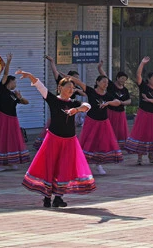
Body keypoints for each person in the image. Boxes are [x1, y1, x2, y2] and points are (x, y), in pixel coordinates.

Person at [17, 70, 95, 208]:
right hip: (53, 139)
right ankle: (47, 197)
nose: (71, 90)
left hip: (69, 141)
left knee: (63, 168)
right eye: (68, 87)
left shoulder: (74, 103)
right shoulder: (53, 100)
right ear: (60, 88)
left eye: (72, 88)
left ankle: (58, 197)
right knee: (50, 167)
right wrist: (30, 76)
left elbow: (88, 106)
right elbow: (40, 87)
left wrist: (76, 110)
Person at [0, 53, 30, 171]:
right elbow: (5, 74)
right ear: (9, 82)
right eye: (14, 82)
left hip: (13, 119)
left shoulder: (14, 94)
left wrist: (20, 97)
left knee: (12, 140)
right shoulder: (2, 89)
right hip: (3, 119)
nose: (15, 84)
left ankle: (11, 162)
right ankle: (0, 163)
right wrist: (8, 62)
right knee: (2, 139)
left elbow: (26, 102)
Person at [72, 75, 123, 175]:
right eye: (104, 82)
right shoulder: (91, 91)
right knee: (88, 143)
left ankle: (98, 165)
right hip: (91, 121)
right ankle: (82, 166)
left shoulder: (107, 95)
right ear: (98, 82)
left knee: (101, 143)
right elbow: (79, 82)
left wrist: (108, 103)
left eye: (107, 83)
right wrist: (68, 78)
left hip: (104, 122)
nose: (106, 84)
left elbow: (117, 102)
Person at [33, 57, 86, 150]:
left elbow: (84, 94)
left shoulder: (74, 88)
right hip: (58, 109)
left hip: (69, 111)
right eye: (75, 78)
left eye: (77, 79)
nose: (76, 80)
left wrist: (76, 89)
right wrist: (52, 61)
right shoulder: (62, 82)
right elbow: (55, 72)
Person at [123, 56, 153, 165]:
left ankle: (151, 154)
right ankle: (139, 157)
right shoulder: (144, 87)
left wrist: (149, 99)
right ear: (149, 79)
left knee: (152, 135)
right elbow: (138, 75)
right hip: (144, 114)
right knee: (141, 134)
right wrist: (142, 63)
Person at [98, 61, 131, 148]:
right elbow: (104, 76)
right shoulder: (111, 85)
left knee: (120, 130)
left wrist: (122, 103)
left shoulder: (125, 90)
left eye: (125, 79)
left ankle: (120, 145)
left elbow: (129, 100)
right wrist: (99, 68)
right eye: (122, 78)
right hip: (111, 111)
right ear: (117, 78)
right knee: (110, 128)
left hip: (121, 112)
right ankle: (109, 143)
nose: (123, 80)